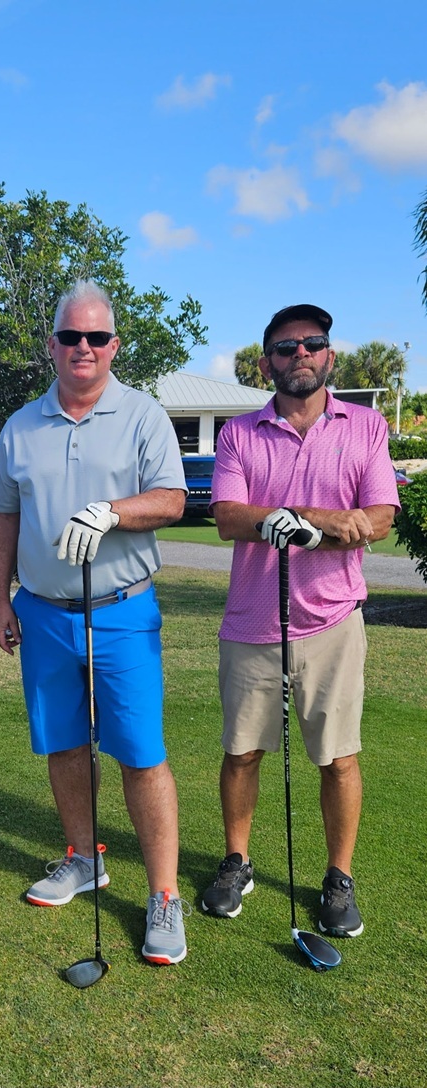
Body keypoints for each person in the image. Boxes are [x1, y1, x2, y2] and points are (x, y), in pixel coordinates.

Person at [0, 279, 191, 965]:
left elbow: (171, 500)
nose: (84, 347)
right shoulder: (21, 426)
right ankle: (83, 857)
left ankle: (163, 894)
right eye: (71, 336)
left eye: (96, 337)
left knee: (141, 754)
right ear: (51, 345)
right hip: (43, 613)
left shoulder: (143, 415)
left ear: (114, 345)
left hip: (121, 611)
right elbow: (4, 518)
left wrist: (112, 511)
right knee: (65, 745)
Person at [202, 303, 399, 938]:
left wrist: (324, 524)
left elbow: (379, 516)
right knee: (242, 753)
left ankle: (339, 877)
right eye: (286, 348)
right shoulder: (239, 433)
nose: (301, 355)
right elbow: (228, 516)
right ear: (267, 365)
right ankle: (237, 861)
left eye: (312, 343)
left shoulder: (365, 425)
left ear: (329, 355)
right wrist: (312, 518)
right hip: (252, 620)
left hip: (334, 620)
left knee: (337, 757)